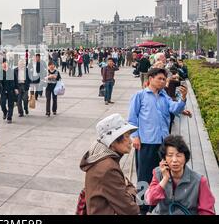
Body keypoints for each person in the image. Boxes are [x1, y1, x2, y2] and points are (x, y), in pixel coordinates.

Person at [128, 68, 189, 215]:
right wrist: (135, 136)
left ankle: (154, 203)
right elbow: (132, 119)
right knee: (144, 176)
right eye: (160, 78)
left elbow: (174, 109)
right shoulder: (140, 96)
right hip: (146, 142)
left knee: (161, 174)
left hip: (163, 144)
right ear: (150, 78)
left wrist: (183, 99)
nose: (163, 81)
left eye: (164, 79)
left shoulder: (165, 97)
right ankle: (142, 207)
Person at [80, 113, 140, 215]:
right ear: (112, 141)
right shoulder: (108, 168)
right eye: (126, 136)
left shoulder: (101, 158)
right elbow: (130, 208)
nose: (130, 141)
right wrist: (131, 192)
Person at [145, 135, 215, 215]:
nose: (174, 160)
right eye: (170, 155)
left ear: (185, 158)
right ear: (164, 158)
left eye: (179, 155)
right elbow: (150, 200)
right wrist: (165, 179)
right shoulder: (157, 173)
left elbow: (207, 211)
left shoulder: (199, 181)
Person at [0, 59, 17, 124]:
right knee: (2, 103)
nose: (5, 64)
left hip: (11, 90)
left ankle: (9, 117)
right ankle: (5, 112)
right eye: (3, 63)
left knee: (11, 105)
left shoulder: (12, 71)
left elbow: (16, 80)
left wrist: (16, 88)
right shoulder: (0, 72)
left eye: (6, 62)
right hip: (3, 91)